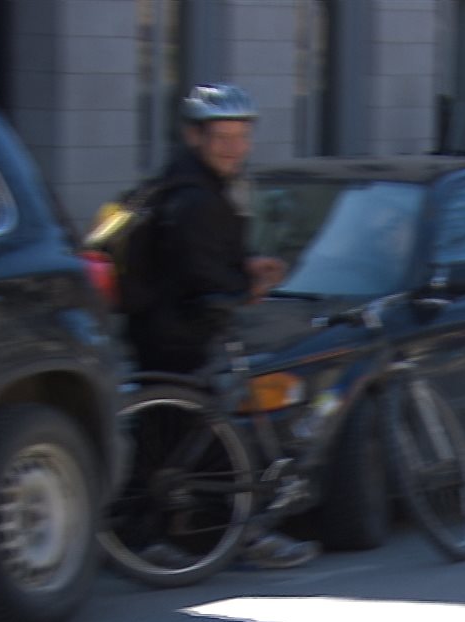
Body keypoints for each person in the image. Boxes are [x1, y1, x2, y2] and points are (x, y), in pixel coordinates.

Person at [121, 82, 320, 570]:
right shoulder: (195, 199)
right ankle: (239, 536)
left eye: (241, 136)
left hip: (163, 329)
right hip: (180, 333)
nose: (233, 148)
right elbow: (202, 274)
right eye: (221, 137)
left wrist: (245, 268)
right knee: (207, 439)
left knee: (167, 443)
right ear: (195, 137)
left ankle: (155, 538)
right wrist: (248, 287)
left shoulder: (184, 183)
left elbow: (203, 259)